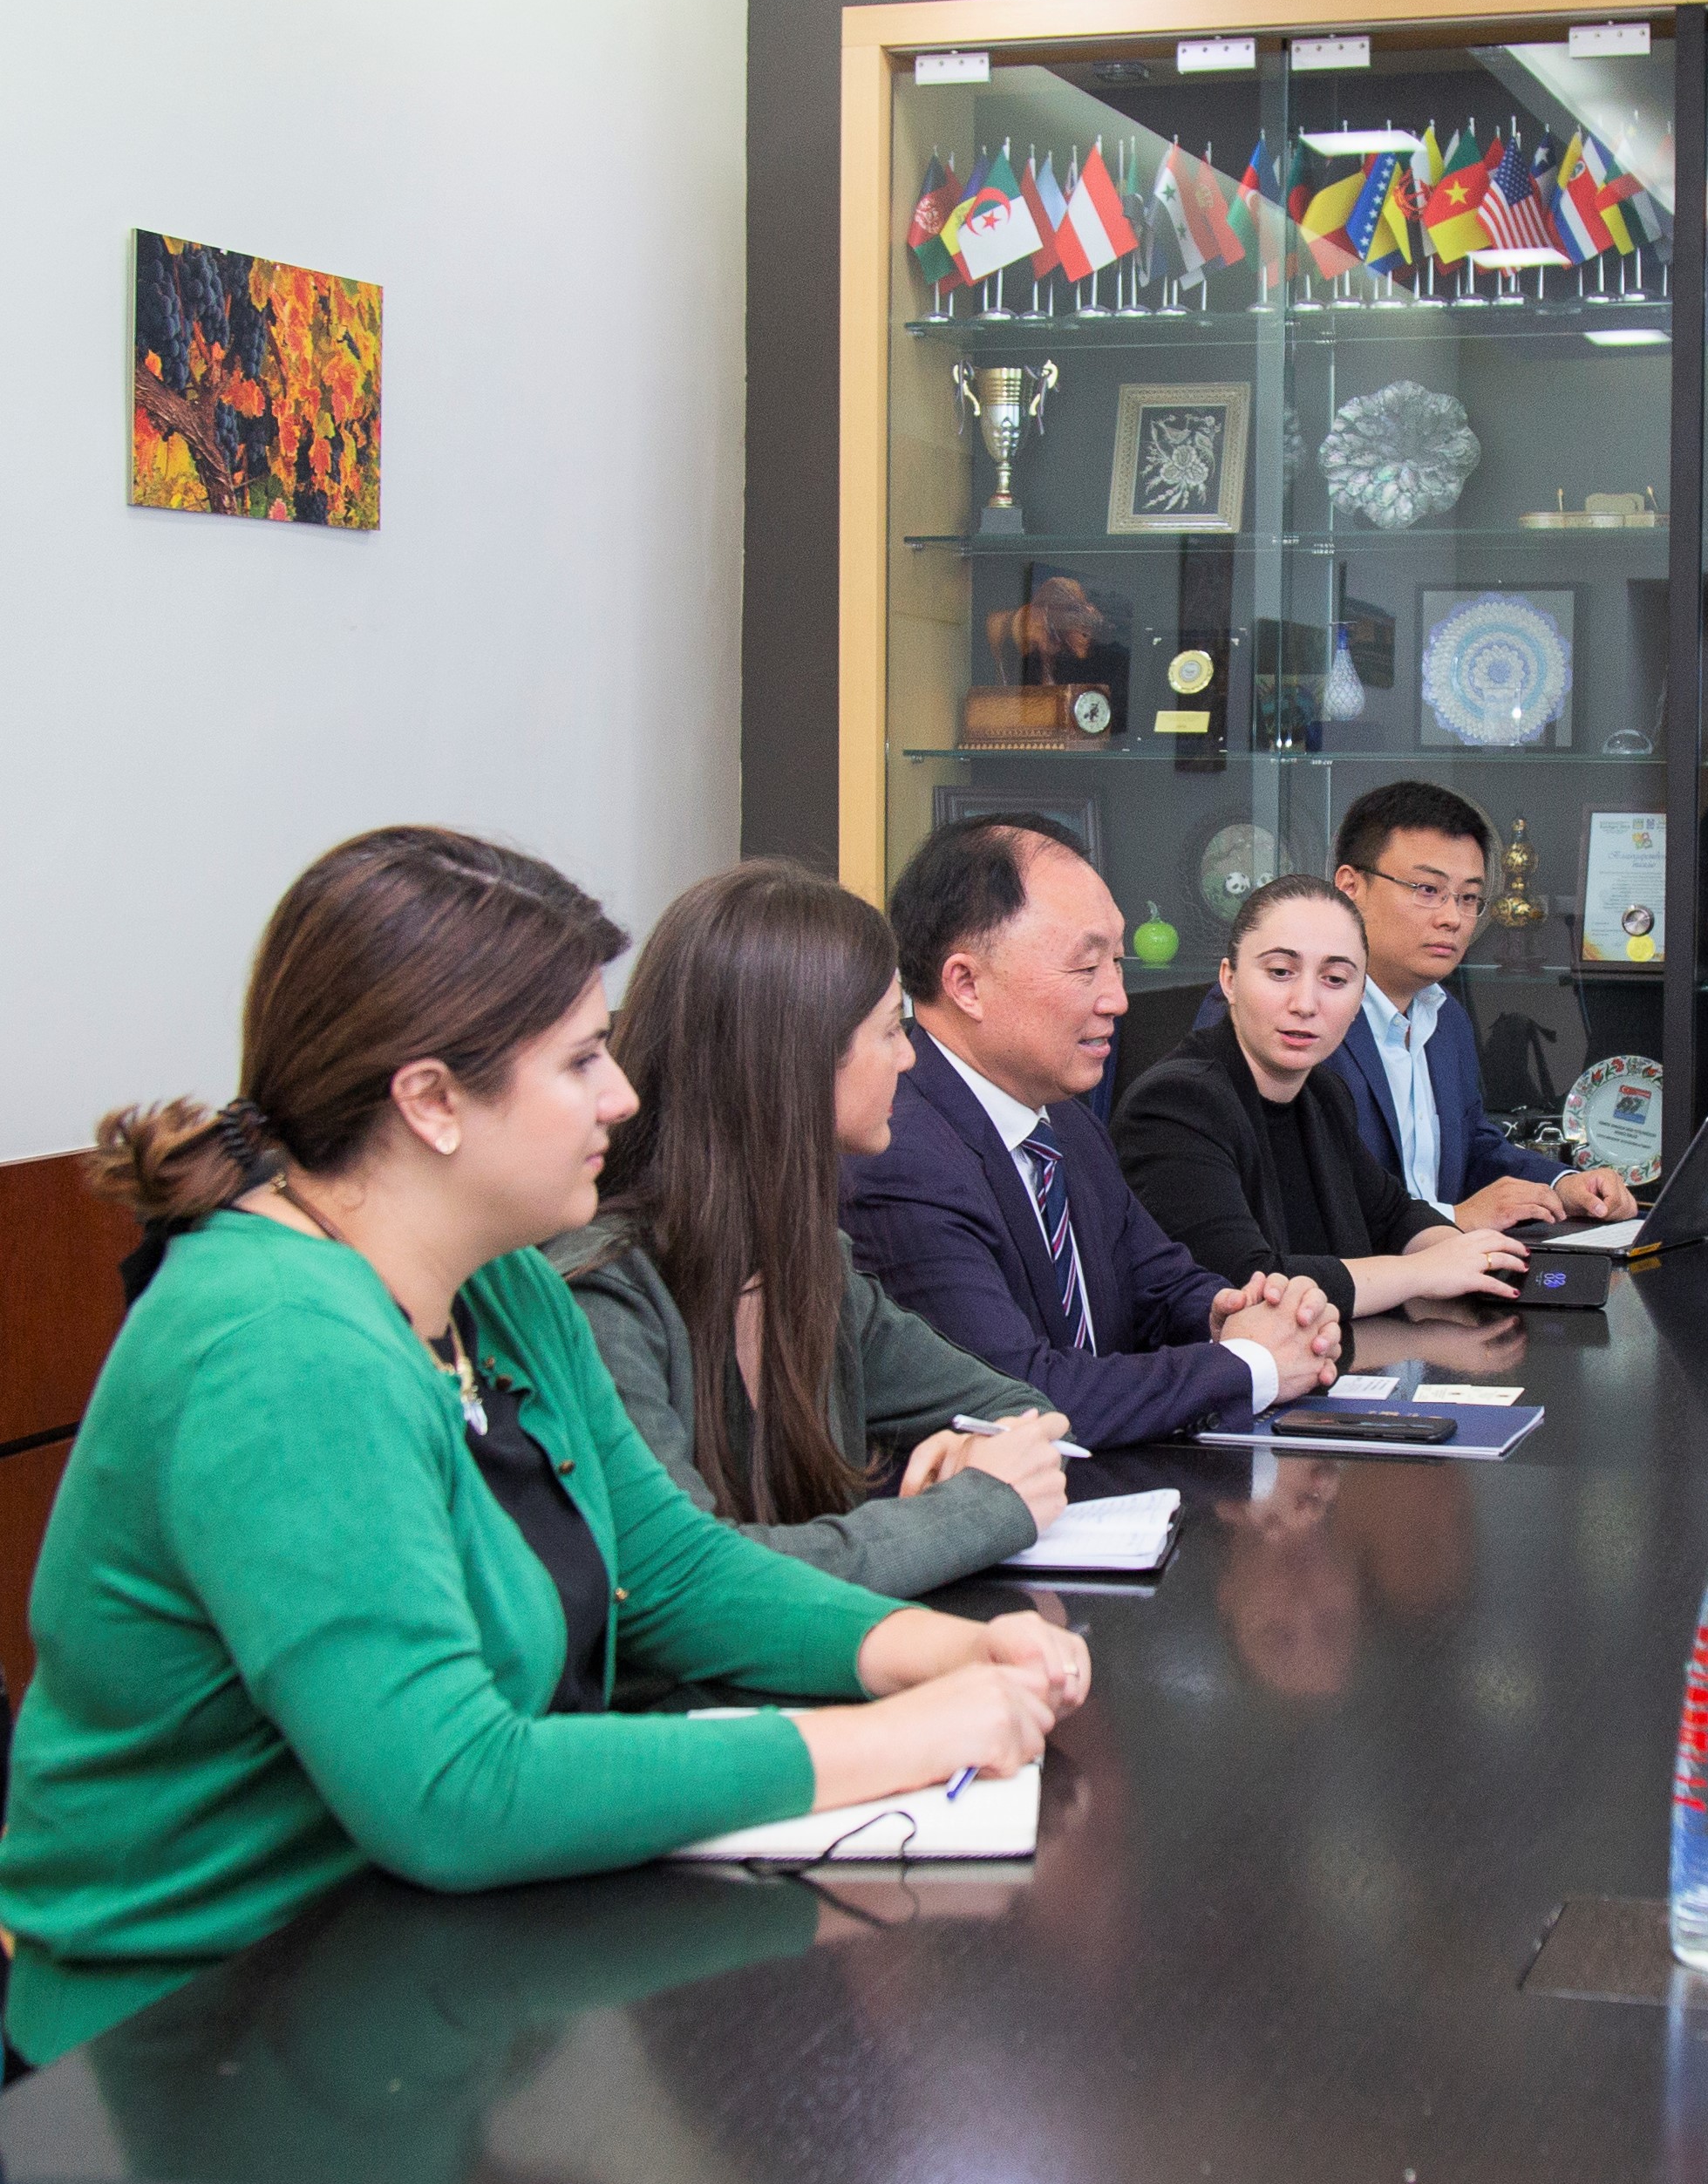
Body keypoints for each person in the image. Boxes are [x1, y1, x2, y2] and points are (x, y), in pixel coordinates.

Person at [3, 828, 1089, 2064]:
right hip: (195, 2043)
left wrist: (942, 1650)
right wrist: (902, 1738)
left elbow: (668, 1569)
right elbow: (450, 1791)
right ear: (430, 1101)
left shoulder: (502, 1282)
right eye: (579, 1061)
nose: (622, 1097)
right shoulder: (280, 1345)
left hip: (406, 1984)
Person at [555, 861, 1079, 1599]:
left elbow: (1027, 1414)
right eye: (890, 1030)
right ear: (794, 1059)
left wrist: (970, 1457)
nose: (909, 1056)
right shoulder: (602, 1293)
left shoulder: (808, 1264)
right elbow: (688, 1583)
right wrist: (973, 1504)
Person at [842, 814, 1338, 1451]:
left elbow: (1159, 1283)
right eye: (1086, 969)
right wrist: (1253, 1365)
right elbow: (1022, 1396)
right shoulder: (897, 1153)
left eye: (1118, 963)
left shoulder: (1067, 1122)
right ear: (966, 984)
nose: (1118, 999)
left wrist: (1240, 1315)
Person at [1117, 877, 1532, 1319]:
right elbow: (1244, 1284)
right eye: (1280, 972)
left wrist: (1477, 1259)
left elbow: (1393, 1216)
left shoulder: (1323, 1093)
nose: (1306, 1003)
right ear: (1229, 981)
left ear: (1358, 1001)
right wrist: (1423, 1272)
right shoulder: (1175, 1104)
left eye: (1335, 979)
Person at [1323, 781, 1635, 1233]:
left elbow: (1472, 1147)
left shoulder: (1445, 1017)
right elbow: (1305, 1200)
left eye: (1468, 897)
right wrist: (1454, 1219)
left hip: (1454, 1269)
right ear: (1351, 887)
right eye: (1427, 889)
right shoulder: (1300, 1018)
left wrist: (1563, 1184)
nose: (1452, 918)